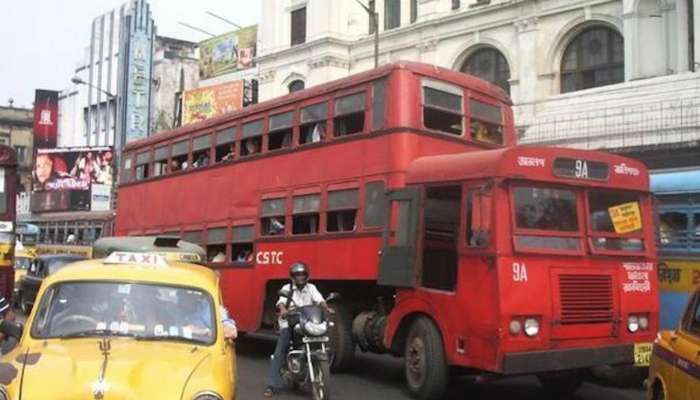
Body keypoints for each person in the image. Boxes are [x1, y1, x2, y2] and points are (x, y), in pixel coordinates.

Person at [264, 262, 333, 397]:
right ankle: (270, 385)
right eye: (297, 275)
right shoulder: (287, 288)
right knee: (280, 350)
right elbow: (281, 302)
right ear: (292, 277)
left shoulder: (311, 288)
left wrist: (326, 307)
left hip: (306, 322)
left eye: (303, 275)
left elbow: (320, 300)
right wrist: (284, 310)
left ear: (307, 276)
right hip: (289, 321)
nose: (301, 277)